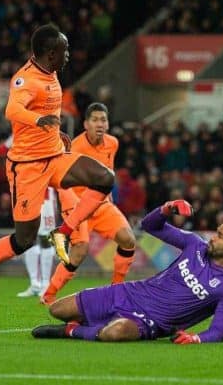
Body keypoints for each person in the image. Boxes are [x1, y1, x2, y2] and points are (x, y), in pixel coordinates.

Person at [0, 24, 114, 299]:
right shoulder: (26, 79)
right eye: (64, 51)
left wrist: (56, 133)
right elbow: (12, 109)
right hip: (27, 167)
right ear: (50, 52)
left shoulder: (52, 73)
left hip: (55, 157)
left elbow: (48, 112)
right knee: (24, 240)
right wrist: (38, 120)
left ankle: (63, 231)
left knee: (105, 178)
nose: (68, 55)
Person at [32, 200, 223, 343]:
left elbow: (219, 332)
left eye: (219, 236)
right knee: (57, 310)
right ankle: (91, 325)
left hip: (150, 321)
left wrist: (196, 338)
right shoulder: (194, 244)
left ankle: (71, 331)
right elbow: (149, 226)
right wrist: (166, 209)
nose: (212, 237)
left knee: (115, 333)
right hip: (130, 293)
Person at [42, 102, 136, 304]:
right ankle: (49, 294)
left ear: (108, 124)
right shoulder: (74, 147)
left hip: (101, 205)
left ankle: (116, 290)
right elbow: (61, 182)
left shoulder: (113, 143)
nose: (99, 124)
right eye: (94, 120)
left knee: (128, 240)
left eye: (103, 120)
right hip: (77, 205)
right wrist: (73, 209)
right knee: (80, 251)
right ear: (85, 124)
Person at [18, 187, 58, 298]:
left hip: (45, 197)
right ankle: (35, 284)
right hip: (27, 195)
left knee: (45, 238)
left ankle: (46, 284)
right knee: (28, 238)